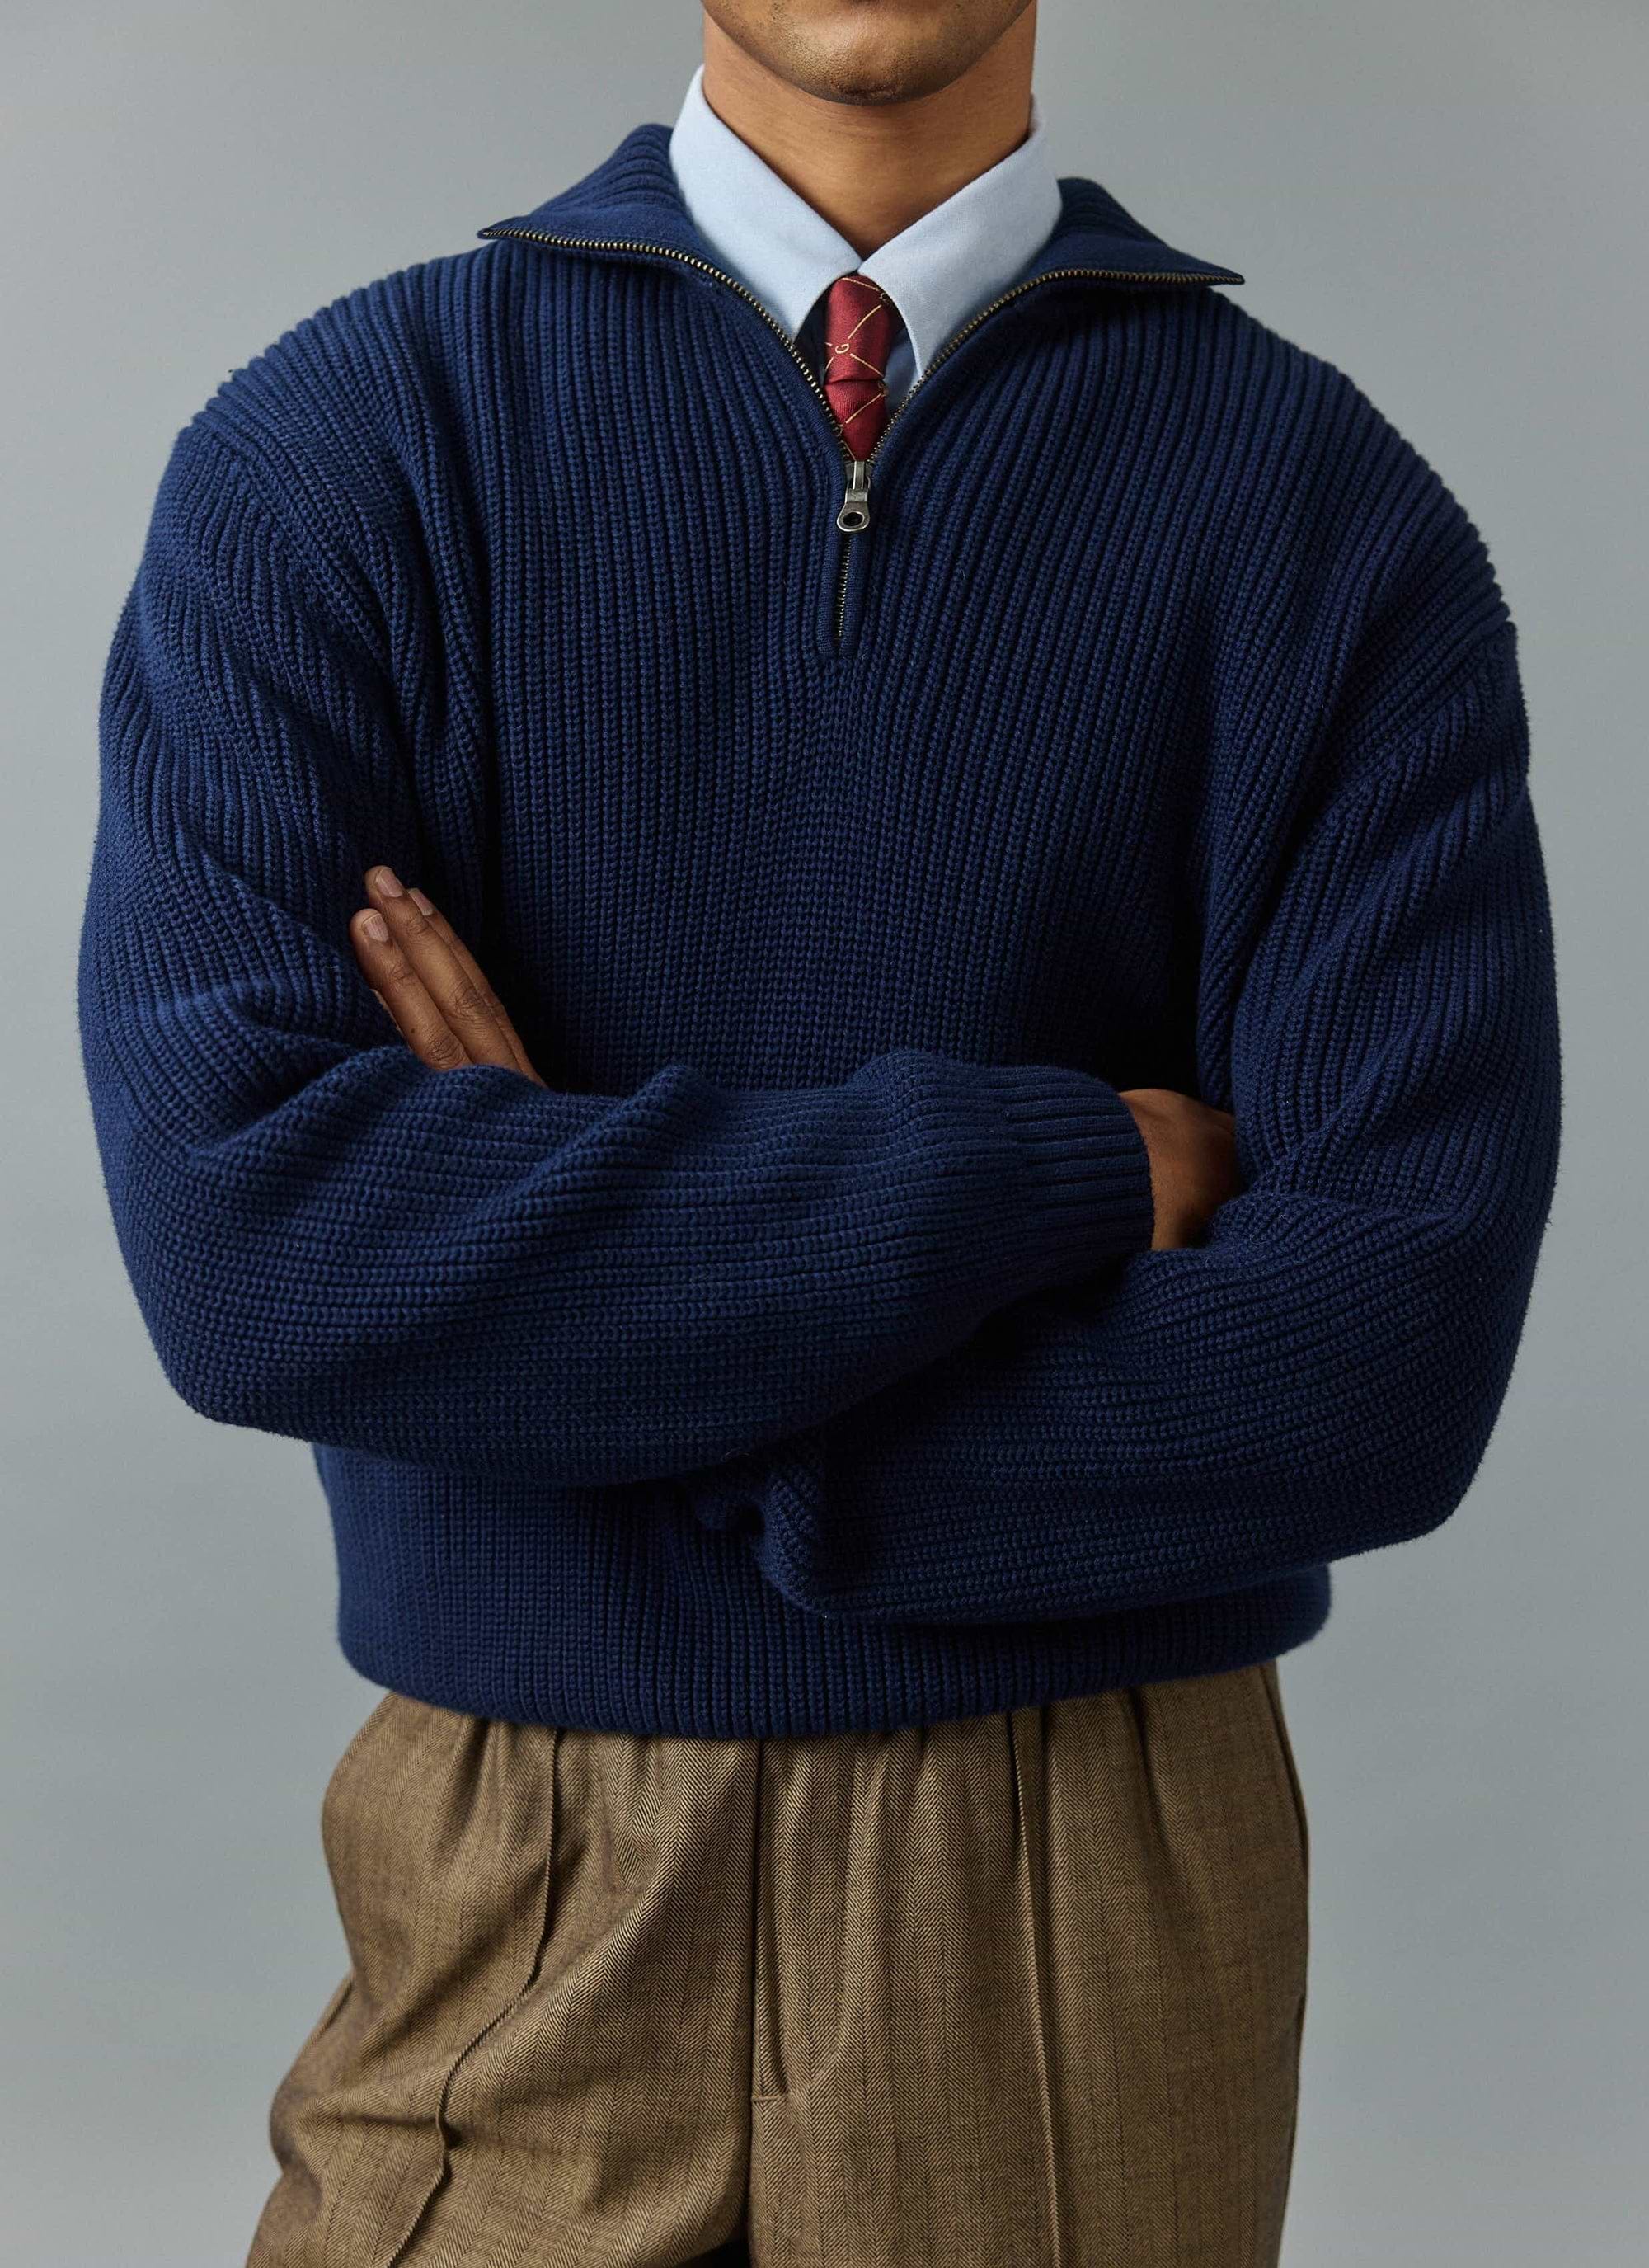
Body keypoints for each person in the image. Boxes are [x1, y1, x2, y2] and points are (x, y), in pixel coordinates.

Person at [76, 2, 1562, 2261]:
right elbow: (259, 1250)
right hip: (513, 1850)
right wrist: (1059, 1164)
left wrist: (626, 1338)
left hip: (1091, 1855)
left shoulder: (1323, 518)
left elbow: (1384, 1357)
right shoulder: (342, 449)